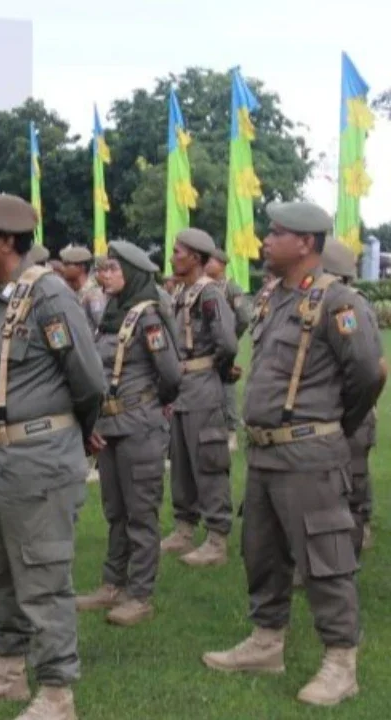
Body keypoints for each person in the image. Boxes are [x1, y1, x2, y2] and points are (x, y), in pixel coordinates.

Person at [202, 202, 382, 706]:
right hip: (264, 456)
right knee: (261, 552)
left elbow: (368, 374)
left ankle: (341, 662)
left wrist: (332, 428)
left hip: (308, 456)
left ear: (306, 243)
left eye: (276, 233)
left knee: (325, 560)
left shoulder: (338, 301)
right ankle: (266, 642)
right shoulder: (274, 297)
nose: (265, 239)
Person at [0, 193, 104, 719]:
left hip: (35, 459)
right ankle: (8, 671)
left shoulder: (49, 296)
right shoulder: (1, 295)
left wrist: (74, 433)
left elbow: (88, 380)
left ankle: (58, 694)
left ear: (7, 241)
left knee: (42, 576)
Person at [74, 241, 181, 627]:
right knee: (115, 511)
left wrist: (153, 404)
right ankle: (111, 584)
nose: (103, 275)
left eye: (112, 269)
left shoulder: (148, 317)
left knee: (140, 514)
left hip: (139, 427)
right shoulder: (111, 315)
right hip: (111, 428)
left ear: (133, 274)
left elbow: (171, 374)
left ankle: (140, 594)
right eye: (102, 268)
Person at [159, 228, 238, 566]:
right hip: (182, 389)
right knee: (181, 463)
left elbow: (228, 343)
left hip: (202, 387)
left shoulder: (209, 294)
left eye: (178, 251)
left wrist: (215, 372)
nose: (173, 256)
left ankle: (217, 538)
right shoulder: (182, 293)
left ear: (194, 257)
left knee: (208, 461)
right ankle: (184, 527)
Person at [320, 241, 382, 557]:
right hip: (328, 414)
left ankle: (347, 556)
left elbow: (369, 370)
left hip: (351, 411)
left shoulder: (349, 307)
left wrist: (354, 413)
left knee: (352, 487)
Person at [205, 248, 254, 450]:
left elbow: (243, 317)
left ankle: (232, 430)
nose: (207, 264)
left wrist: (232, 337)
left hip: (224, 345)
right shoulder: (204, 287)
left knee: (227, 386)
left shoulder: (231, 288)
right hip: (206, 346)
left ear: (222, 265)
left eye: (212, 261)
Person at [58, 245, 106, 330]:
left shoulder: (94, 295)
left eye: (67, 264)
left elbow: (101, 325)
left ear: (81, 267)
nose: (62, 268)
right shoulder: (75, 292)